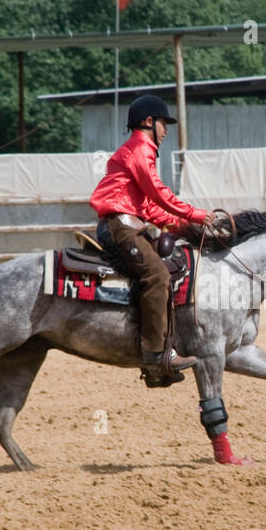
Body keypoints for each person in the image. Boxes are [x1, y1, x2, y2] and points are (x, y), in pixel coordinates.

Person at [90, 94, 216, 383]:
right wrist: (195, 215)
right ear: (149, 121)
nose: (166, 130)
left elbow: (146, 205)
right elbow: (159, 192)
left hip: (127, 222)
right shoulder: (139, 149)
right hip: (121, 227)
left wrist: (179, 224)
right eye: (164, 123)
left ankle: (159, 348)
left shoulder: (134, 151)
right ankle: (156, 355)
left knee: (164, 271)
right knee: (157, 276)